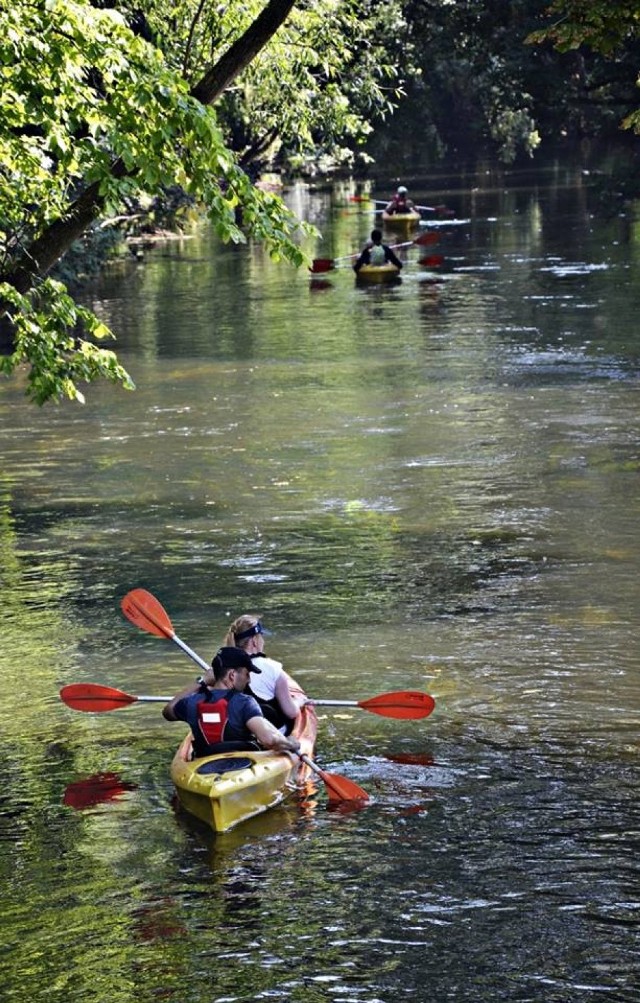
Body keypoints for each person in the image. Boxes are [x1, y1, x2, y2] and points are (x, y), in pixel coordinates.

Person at [162, 646, 301, 758]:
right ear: (232, 675)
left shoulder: (191, 702)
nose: (249, 680)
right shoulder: (244, 702)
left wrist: (201, 681)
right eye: (247, 674)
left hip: (203, 766)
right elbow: (269, 739)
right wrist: (290, 742)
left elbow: (168, 711)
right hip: (243, 767)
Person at [224, 615, 305, 734]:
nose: (263, 641)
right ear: (254, 641)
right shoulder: (273, 668)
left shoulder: (221, 668)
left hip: (234, 735)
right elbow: (291, 712)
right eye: (261, 637)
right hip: (271, 737)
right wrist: (300, 701)